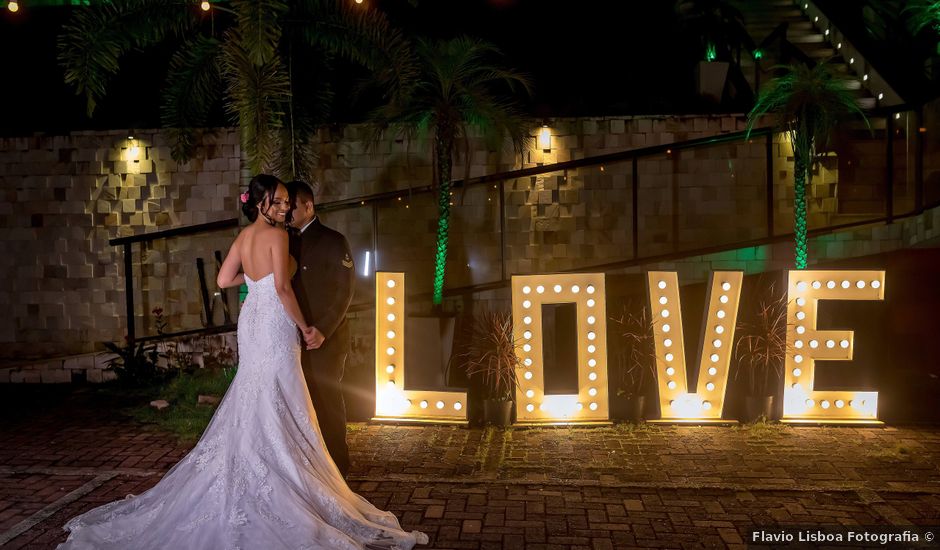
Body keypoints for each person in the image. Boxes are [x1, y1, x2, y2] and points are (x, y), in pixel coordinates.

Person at [58, 174, 427, 550]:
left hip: (252, 319)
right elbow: (283, 289)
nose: (284, 207)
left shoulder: (243, 237)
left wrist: (256, 279)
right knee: (278, 393)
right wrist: (306, 326)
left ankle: (264, 469)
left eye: (287, 202)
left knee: (257, 391)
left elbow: (223, 277)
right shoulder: (279, 236)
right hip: (275, 321)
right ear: (261, 203)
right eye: (279, 202)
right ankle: (278, 476)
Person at [286, 180, 354, 478]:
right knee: (300, 400)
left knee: (327, 400)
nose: (287, 211)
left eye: (292, 206)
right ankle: (309, 465)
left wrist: (324, 329)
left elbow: (345, 291)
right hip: (292, 335)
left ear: (308, 205)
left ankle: (339, 465)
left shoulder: (333, 240)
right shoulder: (283, 241)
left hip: (327, 337)